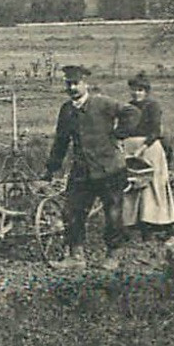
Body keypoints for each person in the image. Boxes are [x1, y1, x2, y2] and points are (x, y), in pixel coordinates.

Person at [43, 64, 127, 270]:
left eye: (75, 83)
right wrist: (52, 168)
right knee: (72, 211)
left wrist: (120, 133)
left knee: (113, 214)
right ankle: (76, 256)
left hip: (110, 169)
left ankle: (113, 255)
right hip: (82, 171)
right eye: (68, 84)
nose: (72, 88)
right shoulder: (67, 110)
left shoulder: (103, 103)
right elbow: (61, 142)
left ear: (85, 84)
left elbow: (131, 112)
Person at [116, 73, 174, 244]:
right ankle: (139, 229)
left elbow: (155, 132)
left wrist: (142, 149)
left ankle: (169, 230)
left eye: (140, 90)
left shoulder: (152, 106)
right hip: (130, 150)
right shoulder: (127, 108)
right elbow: (121, 130)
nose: (137, 93)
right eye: (134, 90)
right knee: (132, 188)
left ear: (146, 91)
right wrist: (120, 143)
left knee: (155, 187)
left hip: (149, 149)